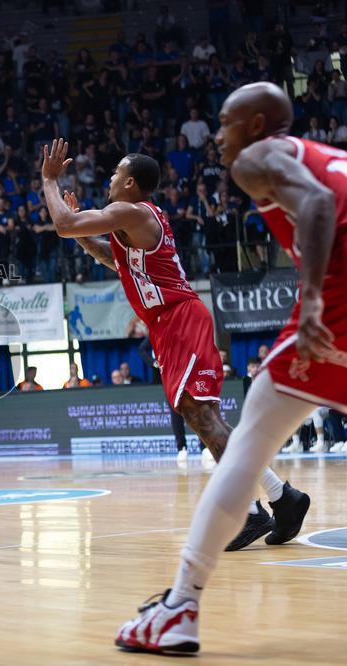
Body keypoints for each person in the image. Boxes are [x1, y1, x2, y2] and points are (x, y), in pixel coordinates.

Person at [115, 82, 343, 655]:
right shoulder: (326, 155)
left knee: (246, 440)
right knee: (243, 430)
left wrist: (311, 299)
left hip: (336, 306)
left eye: (224, 123)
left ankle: (180, 608)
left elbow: (317, 205)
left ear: (258, 124)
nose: (216, 136)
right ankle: (277, 504)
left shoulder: (259, 158)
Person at [42, 137, 307, 557]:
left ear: (130, 183)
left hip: (179, 318)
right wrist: (80, 235)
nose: (110, 178)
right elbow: (112, 259)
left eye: (115, 173)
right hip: (170, 323)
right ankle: (281, 497)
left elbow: (62, 223)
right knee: (204, 418)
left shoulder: (131, 211)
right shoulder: (132, 221)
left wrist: (49, 181)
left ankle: (252, 510)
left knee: (201, 416)